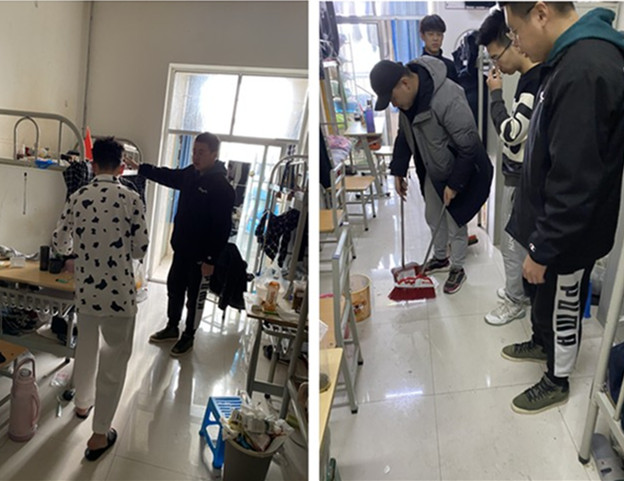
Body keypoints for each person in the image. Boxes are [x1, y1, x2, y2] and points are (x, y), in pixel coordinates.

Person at [499, 2, 624, 414]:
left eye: (515, 31)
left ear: (540, 14)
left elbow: (576, 178)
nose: (516, 42)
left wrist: (544, 248)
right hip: (550, 225)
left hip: (570, 234)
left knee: (563, 304)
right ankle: (541, 342)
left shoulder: (586, 68)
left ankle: (557, 379)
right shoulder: (566, 60)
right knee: (544, 298)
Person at [53, 137, 149, 461]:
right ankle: (99, 434)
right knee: (113, 361)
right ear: (121, 168)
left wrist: (78, 251)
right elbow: (140, 248)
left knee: (86, 350)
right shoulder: (131, 198)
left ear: (93, 166)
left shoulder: (78, 196)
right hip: (120, 294)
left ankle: (82, 405)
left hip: (87, 293)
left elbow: (60, 242)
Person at [369, 56, 493, 294]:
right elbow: (405, 135)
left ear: (405, 83)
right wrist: (398, 170)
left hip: (461, 169)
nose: (394, 104)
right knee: (433, 216)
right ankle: (440, 257)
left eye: (393, 98)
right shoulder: (408, 103)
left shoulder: (447, 97)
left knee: (455, 220)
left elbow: (469, 146)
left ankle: (457, 267)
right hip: (432, 167)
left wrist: (455, 184)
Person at [129, 132, 235, 356]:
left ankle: (189, 335)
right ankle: (172, 327)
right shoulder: (190, 174)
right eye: (194, 151)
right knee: (174, 289)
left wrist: (210, 260)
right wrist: (141, 168)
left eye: (201, 152)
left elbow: (222, 228)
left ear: (214, 155)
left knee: (194, 298)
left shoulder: (222, 187)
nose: (196, 156)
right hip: (181, 249)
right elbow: (168, 175)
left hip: (202, 256)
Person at [476, 8, 541, 326]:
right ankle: (519, 291)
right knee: (515, 241)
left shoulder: (533, 82)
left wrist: (496, 95)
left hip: (522, 177)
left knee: (512, 242)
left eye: (495, 56)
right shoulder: (532, 79)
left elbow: (512, 133)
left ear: (514, 41)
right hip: (520, 174)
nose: (496, 65)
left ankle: (516, 300)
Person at [419, 14, 459, 83]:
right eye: (430, 34)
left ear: (442, 37)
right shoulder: (418, 66)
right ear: (422, 36)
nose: (435, 38)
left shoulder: (450, 66)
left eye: (439, 34)